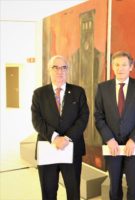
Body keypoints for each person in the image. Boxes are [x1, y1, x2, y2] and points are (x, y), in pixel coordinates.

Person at [31, 55, 90, 200]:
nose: (60, 71)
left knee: (73, 192)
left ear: (67, 70)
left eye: (64, 67)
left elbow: (83, 118)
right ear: (49, 70)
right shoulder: (39, 94)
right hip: (47, 148)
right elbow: (36, 120)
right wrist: (55, 137)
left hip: (71, 149)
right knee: (48, 191)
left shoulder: (78, 92)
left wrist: (67, 138)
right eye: (55, 67)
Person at [94, 51, 135, 200]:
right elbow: (98, 117)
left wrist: (134, 139)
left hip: (133, 146)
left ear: (131, 67)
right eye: (117, 65)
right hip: (112, 147)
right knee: (114, 187)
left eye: (124, 64)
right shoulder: (103, 88)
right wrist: (109, 139)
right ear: (112, 66)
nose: (120, 68)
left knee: (134, 187)